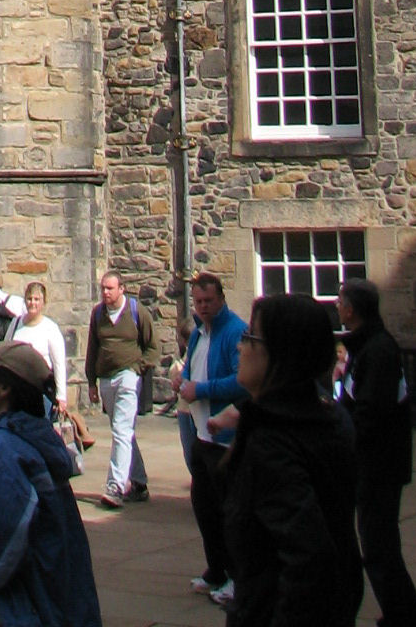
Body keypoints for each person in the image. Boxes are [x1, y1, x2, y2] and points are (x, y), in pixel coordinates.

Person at [223, 294, 362, 627]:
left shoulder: (274, 440)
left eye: (249, 337)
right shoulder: (327, 419)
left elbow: (308, 557)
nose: (240, 348)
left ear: (279, 352)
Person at [0, 338, 102, 627]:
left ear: (5, 387)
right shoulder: (33, 437)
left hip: (24, 606)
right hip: (54, 599)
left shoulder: (6, 447)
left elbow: (3, 534)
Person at [336, 278, 416, 627]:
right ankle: (399, 615)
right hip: (370, 464)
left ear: (352, 309)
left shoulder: (378, 350)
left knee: (380, 550)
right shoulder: (366, 348)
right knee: (378, 548)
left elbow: (370, 414)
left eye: (340, 301)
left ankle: (406, 619)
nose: (336, 305)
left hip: (378, 466)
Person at [172, 270, 247, 605]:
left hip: (225, 437)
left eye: (208, 301)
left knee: (229, 511)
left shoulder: (235, 331)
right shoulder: (200, 333)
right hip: (201, 433)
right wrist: (183, 381)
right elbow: (190, 366)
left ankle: (237, 577)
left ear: (221, 299)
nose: (202, 307)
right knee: (204, 507)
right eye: (198, 302)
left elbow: (240, 381)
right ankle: (216, 569)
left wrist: (199, 389)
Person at [84, 268, 156, 508]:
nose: (105, 292)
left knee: (121, 431)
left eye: (110, 288)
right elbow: (92, 349)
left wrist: (138, 368)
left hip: (128, 376)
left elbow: (152, 346)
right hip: (106, 379)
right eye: (103, 288)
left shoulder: (136, 312)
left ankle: (115, 487)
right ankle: (139, 482)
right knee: (123, 431)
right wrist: (91, 382)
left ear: (121, 289)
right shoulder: (98, 314)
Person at [8, 281, 68, 414]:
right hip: (17, 390)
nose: (32, 303)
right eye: (29, 299)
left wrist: (61, 396)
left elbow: (59, 364)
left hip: (42, 390)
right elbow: (5, 352)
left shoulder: (50, 328)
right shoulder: (15, 323)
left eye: (37, 299)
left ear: (43, 302)